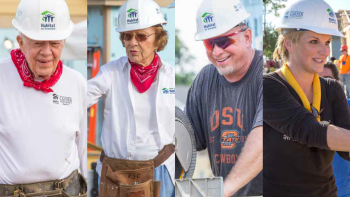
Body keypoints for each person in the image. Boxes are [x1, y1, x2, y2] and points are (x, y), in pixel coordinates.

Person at [87, 0, 175, 197]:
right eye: (127, 36)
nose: (132, 42)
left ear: (158, 38)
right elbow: (80, 98)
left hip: (161, 171)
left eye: (141, 36)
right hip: (116, 173)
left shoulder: (171, 76)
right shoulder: (110, 72)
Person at [0, 0, 87, 196]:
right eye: (38, 43)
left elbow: (81, 150)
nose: (46, 52)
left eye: (54, 43)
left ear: (63, 42)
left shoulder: (76, 83)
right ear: (21, 42)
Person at [264, 0, 350, 196]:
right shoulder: (267, 86)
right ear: (289, 43)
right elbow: (308, 130)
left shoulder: (332, 89)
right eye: (314, 41)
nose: (325, 51)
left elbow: (346, 149)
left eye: (327, 42)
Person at [185, 0, 263, 196]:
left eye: (223, 41)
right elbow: (186, 140)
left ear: (247, 37)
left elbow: (264, 140)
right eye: (209, 43)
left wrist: (223, 190)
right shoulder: (205, 79)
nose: (216, 51)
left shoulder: (269, 75)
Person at [319, 62, 350, 197]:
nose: (320, 85)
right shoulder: (300, 114)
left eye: (327, 79)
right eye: (314, 79)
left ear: (337, 82)